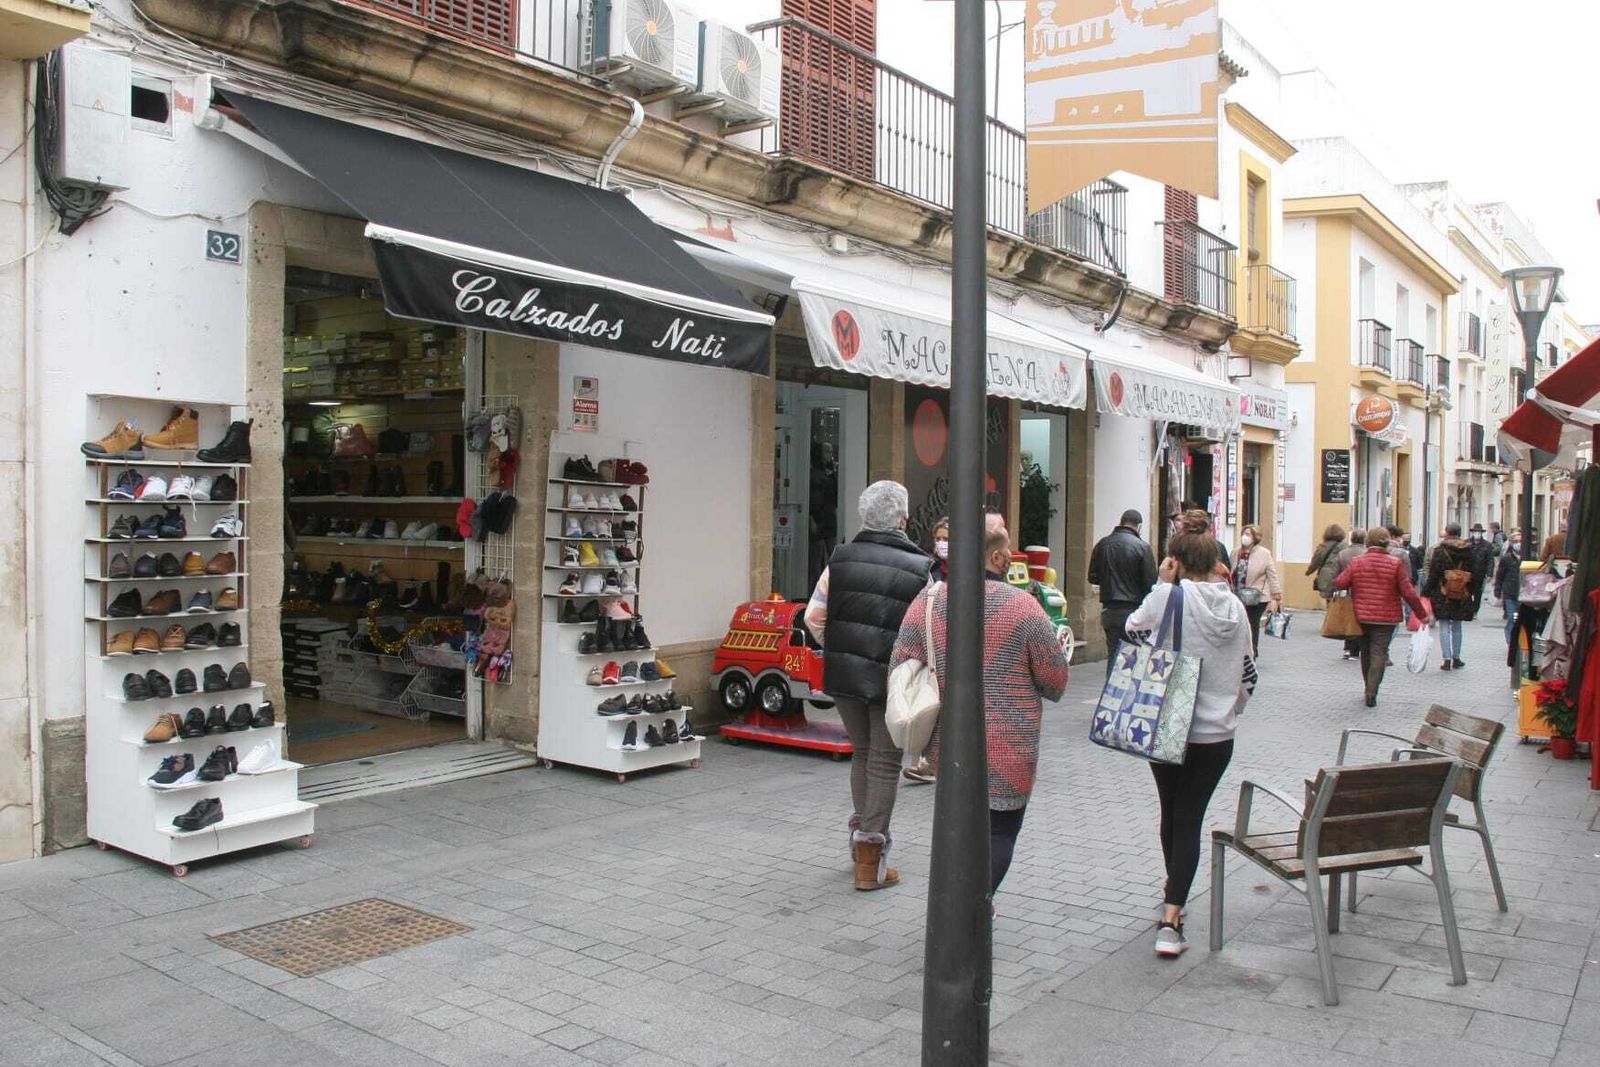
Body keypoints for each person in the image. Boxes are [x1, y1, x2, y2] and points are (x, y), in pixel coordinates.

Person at [891, 519, 1069, 897]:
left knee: (959, 828)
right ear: (998, 557)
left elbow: (900, 664)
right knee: (1001, 829)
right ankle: (973, 906)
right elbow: (1056, 681)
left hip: (946, 743)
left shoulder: (930, 600)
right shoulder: (1025, 607)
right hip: (1009, 745)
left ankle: (959, 905)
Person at [1126, 511, 1256, 957]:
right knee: (1190, 817)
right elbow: (1248, 674)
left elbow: (1132, 626)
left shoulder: (1170, 598)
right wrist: (1226, 708)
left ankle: (1171, 914)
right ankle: (1175, 894)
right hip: (1216, 737)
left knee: (1172, 813)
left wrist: (1163, 585)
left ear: (1176, 561)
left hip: (1166, 723)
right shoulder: (1237, 608)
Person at [804, 480, 931, 890]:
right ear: (903, 519)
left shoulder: (838, 560)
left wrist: (841, 649)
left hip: (843, 677)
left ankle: (861, 844)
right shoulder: (920, 569)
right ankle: (869, 858)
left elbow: (813, 618)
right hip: (892, 679)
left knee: (863, 754)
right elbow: (927, 631)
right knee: (885, 761)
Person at [1335, 527, 1432, 706]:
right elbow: (1408, 592)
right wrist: (1421, 614)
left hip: (1361, 615)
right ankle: (1373, 691)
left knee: (1365, 652)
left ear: (1368, 542)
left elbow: (1340, 582)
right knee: (1379, 652)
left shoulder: (1357, 562)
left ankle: (1367, 687)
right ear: (1386, 542)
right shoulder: (1395, 564)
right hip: (1386, 618)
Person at [1088, 509, 1159, 680]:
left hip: (1109, 609)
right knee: (1133, 656)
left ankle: (1110, 695)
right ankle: (1128, 698)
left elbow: (1093, 576)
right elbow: (1151, 583)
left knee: (1113, 654)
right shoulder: (1142, 547)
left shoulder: (1103, 544)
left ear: (1121, 521)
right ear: (1139, 526)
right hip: (1133, 610)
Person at [1423, 523, 1485, 671]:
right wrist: (1472, 591)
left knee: (1444, 625)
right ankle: (1457, 657)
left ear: (1447, 533)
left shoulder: (1439, 550)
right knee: (1457, 625)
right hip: (1462, 591)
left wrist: (1426, 591)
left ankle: (1446, 659)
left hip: (1443, 591)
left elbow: (1433, 573)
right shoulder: (1468, 550)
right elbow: (1475, 572)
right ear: (1459, 533)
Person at [1232, 524, 1283, 655]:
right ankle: (1242, 650)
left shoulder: (1264, 554)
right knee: (1240, 624)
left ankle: (1252, 651)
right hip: (1238, 595)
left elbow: (1272, 574)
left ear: (1255, 538)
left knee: (1252, 623)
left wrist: (1276, 593)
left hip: (1257, 596)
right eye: (1244, 533)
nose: (1245, 537)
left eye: (1248, 534)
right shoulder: (1236, 552)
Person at [807, 442, 839, 589]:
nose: (830, 455)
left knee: (833, 556)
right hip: (819, 519)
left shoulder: (832, 473)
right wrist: (813, 518)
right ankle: (816, 589)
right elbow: (815, 498)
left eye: (830, 452)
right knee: (817, 559)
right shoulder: (815, 474)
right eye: (826, 452)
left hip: (829, 519)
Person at [1332, 529, 1367, 661]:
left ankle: (1347, 648)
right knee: (1360, 621)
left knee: (1348, 619)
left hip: (1346, 592)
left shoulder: (1342, 554)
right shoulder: (1366, 553)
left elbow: (1336, 574)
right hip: (1363, 592)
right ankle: (1356, 649)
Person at [1494, 531, 1524, 647]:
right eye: (1515, 542)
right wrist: (1498, 589)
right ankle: (1511, 642)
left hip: (1523, 593)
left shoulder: (1530, 556)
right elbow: (1500, 575)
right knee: (1512, 617)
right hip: (1510, 593)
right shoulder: (1506, 558)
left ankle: (1518, 640)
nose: (1518, 544)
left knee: (1521, 619)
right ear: (1511, 543)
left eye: (1520, 541)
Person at [1306, 524, 1348, 601]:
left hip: (1326, 577)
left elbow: (1315, 561)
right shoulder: (1345, 546)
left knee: (1329, 599)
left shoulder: (1322, 547)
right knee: (1340, 599)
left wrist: (1309, 571)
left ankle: (1330, 610)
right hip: (1340, 575)